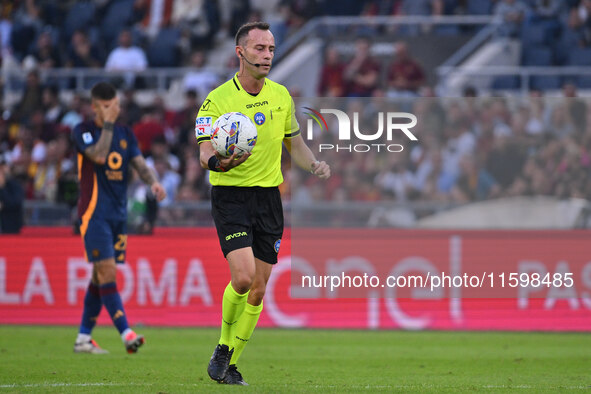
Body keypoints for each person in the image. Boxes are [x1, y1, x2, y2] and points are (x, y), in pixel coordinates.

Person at [195, 21, 330, 385]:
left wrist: (313, 162)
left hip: (269, 198)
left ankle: (230, 364)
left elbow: (295, 145)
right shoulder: (217, 100)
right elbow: (205, 150)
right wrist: (217, 162)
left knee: (258, 288)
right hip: (231, 195)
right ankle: (223, 347)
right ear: (240, 52)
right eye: (259, 49)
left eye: (270, 49)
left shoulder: (281, 96)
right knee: (242, 278)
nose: (267, 55)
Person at [71, 82, 166, 354]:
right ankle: (126, 333)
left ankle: (83, 338)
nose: (113, 110)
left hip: (118, 214)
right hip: (93, 213)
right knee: (108, 271)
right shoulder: (84, 131)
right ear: (95, 107)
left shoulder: (125, 133)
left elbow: (138, 163)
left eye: (115, 105)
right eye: (106, 106)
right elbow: (99, 156)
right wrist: (108, 125)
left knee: (100, 277)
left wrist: (154, 183)